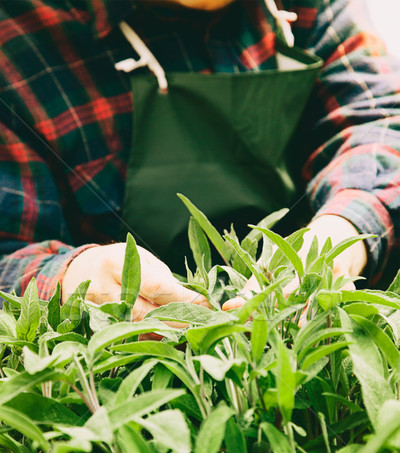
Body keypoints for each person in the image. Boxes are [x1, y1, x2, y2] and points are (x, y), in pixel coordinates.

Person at [0, 0, 398, 319]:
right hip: (116, 377)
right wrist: (73, 280)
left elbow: (379, 121)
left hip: (302, 327)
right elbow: (7, 256)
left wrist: (343, 234)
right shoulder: (17, 36)